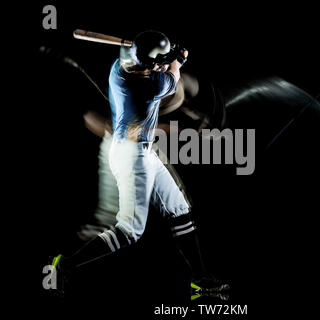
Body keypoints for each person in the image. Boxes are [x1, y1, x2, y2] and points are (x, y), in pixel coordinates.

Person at [49, 30, 229, 296]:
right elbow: (173, 74)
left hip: (142, 153)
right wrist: (177, 59)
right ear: (150, 65)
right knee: (130, 230)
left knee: (179, 209)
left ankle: (200, 279)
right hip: (131, 157)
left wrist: (160, 55)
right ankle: (65, 265)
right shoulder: (150, 86)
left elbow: (153, 61)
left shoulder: (121, 66)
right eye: (157, 63)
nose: (160, 65)